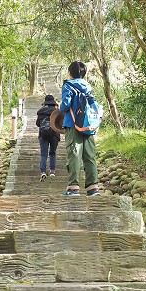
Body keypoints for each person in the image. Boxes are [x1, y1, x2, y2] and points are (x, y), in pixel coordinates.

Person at [58, 61, 99, 196]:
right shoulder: (87, 86)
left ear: (70, 73)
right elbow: (94, 105)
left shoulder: (68, 86)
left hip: (73, 124)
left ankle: (74, 187)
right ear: (84, 73)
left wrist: (59, 107)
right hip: (88, 125)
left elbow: (64, 106)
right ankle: (93, 188)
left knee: (74, 154)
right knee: (89, 155)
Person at [36, 94, 60, 181]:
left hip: (43, 134)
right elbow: (60, 124)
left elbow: (38, 124)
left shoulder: (41, 112)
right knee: (52, 152)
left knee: (43, 154)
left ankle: (43, 172)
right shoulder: (57, 111)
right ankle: (52, 171)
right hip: (55, 135)